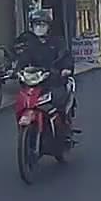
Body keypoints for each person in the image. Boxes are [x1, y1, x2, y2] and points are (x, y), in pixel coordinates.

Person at [13, 9, 76, 138]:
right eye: (36, 24)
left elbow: (66, 57)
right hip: (36, 81)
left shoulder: (57, 42)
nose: (39, 28)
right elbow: (22, 59)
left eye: (43, 24)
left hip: (54, 81)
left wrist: (65, 69)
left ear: (48, 26)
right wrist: (17, 70)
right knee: (23, 99)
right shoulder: (29, 42)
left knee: (59, 100)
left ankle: (63, 131)